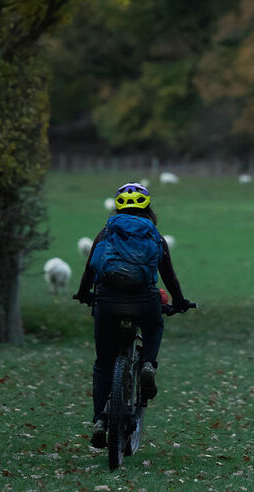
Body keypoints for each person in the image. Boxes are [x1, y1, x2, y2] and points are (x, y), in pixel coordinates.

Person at [73, 181, 191, 447]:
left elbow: (90, 270)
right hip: (143, 300)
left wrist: (83, 294)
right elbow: (168, 275)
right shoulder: (154, 235)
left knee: (104, 363)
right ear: (148, 208)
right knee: (154, 326)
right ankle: (148, 363)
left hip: (107, 302)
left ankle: (100, 420)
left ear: (117, 208)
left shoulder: (105, 234)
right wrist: (180, 301)